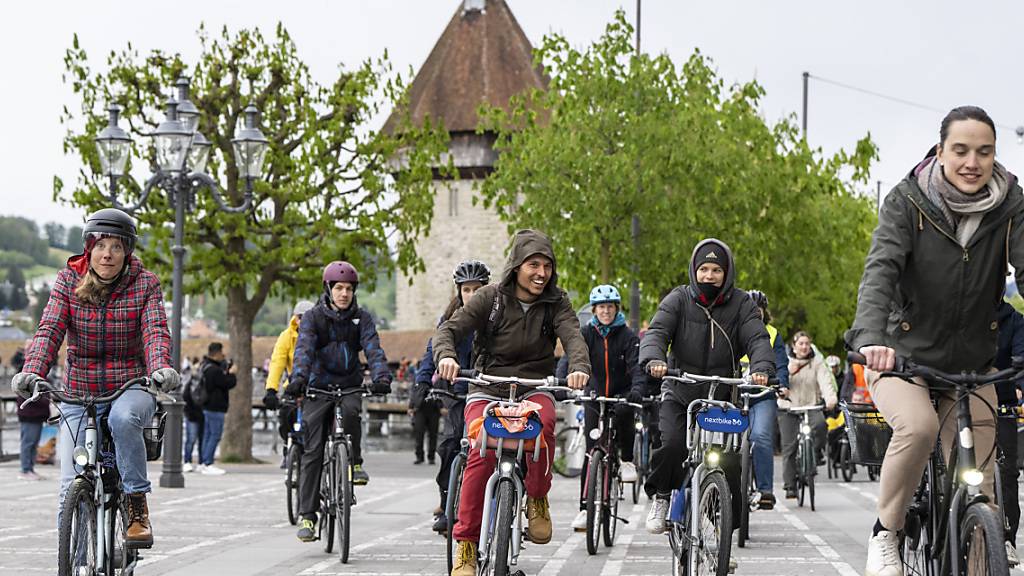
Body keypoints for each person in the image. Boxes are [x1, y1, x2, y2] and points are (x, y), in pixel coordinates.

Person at [846, 105, 1024, 575]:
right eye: (961, 150)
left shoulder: (1010, 205)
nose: (972, 162)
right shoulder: (908, 202)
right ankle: (887, 532)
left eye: (984, 152)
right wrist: (870, 338)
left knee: (981, 484)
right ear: (940, 151)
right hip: (902, 357)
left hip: (972, 363)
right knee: (920, 428)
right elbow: (880, 272)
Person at [11, 208, 178, 548]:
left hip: (129, 383)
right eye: (101, 245)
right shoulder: (68, 281)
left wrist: (160, 366)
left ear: (127, 251)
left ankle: (135, 506)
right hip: (78, 389)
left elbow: (155, 332)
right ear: (89, 248)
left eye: (117, 247)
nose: (107, 254)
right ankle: (75, 558)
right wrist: (32, 370)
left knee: (123, 417)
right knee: (69, 481)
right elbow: (49, 330)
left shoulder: (145, 284)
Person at [434, 229, 591, 576]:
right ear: (517, 266)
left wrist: (579, 367)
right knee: (480, 451)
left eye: (547, 266)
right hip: (488, 386)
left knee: (545, 425)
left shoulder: (557, 303)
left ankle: (536, 497)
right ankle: (467, 547)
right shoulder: (489, 298)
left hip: (534, 386)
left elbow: (574, 338)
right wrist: (446, 356)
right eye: (533, 264)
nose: (541, 273)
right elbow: (447, 331)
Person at [639, 238, 775, 550]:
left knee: (727, 461)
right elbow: (658, 331)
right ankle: (661, 497)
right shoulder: (678, 299)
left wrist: (762, 368)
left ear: (727, 273)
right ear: (694, 270)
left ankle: (723, 522)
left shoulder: (742, 305)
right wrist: (654, 359)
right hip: (680, 389)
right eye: (704, 269)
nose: (709, 276)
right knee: (672, 444)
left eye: (716, 270)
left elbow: (757, 338)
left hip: (722, 394)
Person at [286, 260, 393, 542]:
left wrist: (381, 376)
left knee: (352, 412)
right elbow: (304, 350)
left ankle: (354, 462)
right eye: (339, 289)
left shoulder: (362, 318)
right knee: (313, 449)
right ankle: (308, 516)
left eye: (348, 289)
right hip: (317, 386)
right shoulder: (313, 318)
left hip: (349, 384)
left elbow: (373, 348)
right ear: (328, 289)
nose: (344, 294)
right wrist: (298, 379)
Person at [417, 259, 491, 533]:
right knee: (449, 446)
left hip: (487, 391)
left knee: (486, 450)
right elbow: (433, 349)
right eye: (467, 289)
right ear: (459, 292)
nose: (472, 295)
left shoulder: (495, 318)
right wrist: (422, 383)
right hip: (458, 392)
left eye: (477, 289)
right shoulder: (449, 320)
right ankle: (448, 503)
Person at [568, 284, 645, 531]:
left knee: (625, 417)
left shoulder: (628, 336)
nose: (605, 311)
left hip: (622, 394)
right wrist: (564, 381)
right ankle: (584, 509)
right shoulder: (585, 334)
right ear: (594, 310)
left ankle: (627, 460)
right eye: (601, 307)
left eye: (610, 306)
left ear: (616, 309)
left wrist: (637, 390)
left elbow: (636, 366)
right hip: (594, 394)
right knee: (591, 454)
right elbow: (570, 360)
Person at [742, 290, 790, 509]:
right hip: (734, 393)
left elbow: (780, 363)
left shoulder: (772, 333)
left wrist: (782, 383)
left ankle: (765, 491)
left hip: (762, 395)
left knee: (761, 436)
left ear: (763, 312)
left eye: (757, 310)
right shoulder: (732, 329)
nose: (754, 314)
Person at [778, 331, 837, 498]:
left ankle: (816, 453)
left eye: (807, 343)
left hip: (811, 406)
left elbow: (825, 381)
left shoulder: (817, 362)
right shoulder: (785, 360)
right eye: (801, 343)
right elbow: (779, 381)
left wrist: (830, 399)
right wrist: (788, 373)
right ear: (794, 346)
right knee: (789, 447)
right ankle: (790, 486)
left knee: (820, 425)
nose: (804, 347)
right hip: (789, 408)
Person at [262, 300, 316, 468]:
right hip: (293, 383)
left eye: (308, 317)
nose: (303, 321)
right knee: (285, 413)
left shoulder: (320, 335)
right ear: (295, 319)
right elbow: (277, 362)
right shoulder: (287, 336)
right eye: (300, 317)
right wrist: (271, 389)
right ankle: (288, 445)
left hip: (316, 383)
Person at [995, 298, 1024, 559]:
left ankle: (1006, 539)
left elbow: (1022, 361)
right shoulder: (961, 312)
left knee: (1007, 473)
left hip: (1003, 405)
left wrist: (1019, 385)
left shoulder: (1015, 320)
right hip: (960, 399)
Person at [195, 342, 235, 475]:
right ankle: (208, 462)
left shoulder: (205, 366)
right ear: (217, 353)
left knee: (207, 435)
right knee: (215, 435)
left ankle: (202, 462)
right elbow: (227, 383)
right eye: (222, 353)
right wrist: (232, 374)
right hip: (215, 407)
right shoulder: (214, 370)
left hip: (206, 406)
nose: (223, 355)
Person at [15, 337, 49, 480]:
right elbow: (26, 395)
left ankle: (30, 467)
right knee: (28, 442)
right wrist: (46, 399)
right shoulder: (24, 370)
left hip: (36, 414)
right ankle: (25, 469)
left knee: (33, 442)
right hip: (30, 413)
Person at [409, 375, 440, 466]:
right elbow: (414, 392)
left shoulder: (437, 377)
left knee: (433, 435)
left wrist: (442, 406)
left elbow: (441, 392)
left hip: (434, 410)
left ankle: (431, 457)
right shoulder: (419, 378)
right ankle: (419, 456)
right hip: (420, 409)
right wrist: (411, 406)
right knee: (419, 434)